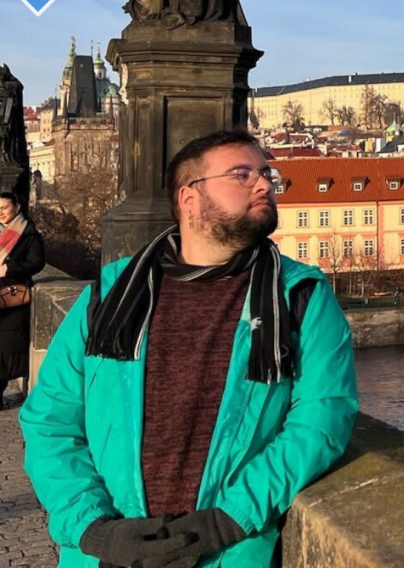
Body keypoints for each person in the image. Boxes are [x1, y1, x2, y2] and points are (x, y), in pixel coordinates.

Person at [19, 130, 358, 568]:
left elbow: (322, 418)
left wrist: (227, 520)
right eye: (242, 174)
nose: (264, 185)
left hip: (228, 552)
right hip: (109, 553)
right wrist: (94, 528)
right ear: (189, 198)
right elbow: (50, 421)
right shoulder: (110, 295)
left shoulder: (300, 295)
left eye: (266, 173)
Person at [0, 191, 45, 409]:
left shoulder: (29, 234)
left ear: (17, 207)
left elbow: (37, 262)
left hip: (12, 297)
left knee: (7, 348)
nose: (0, 213)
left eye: (5, 208)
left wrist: (10, 269)